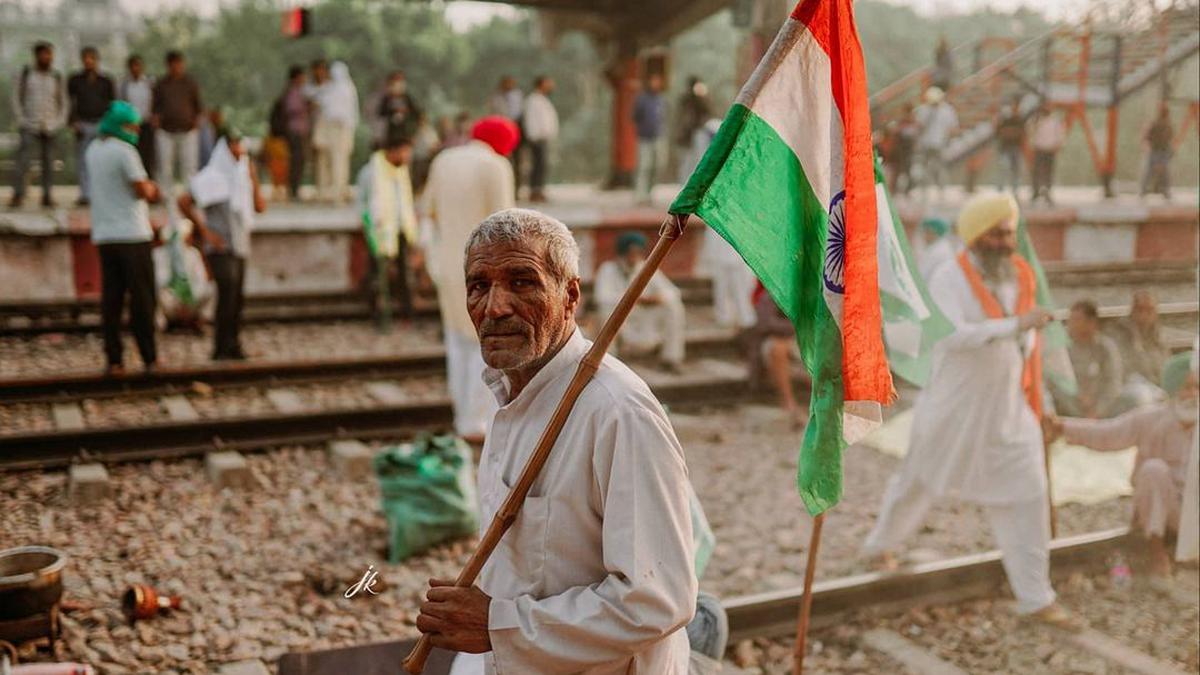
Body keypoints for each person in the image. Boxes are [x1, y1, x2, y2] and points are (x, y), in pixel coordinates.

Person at [412, 208, 696, 674]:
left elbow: (657, 600)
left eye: (522, 282)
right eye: (479, 285)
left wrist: (498, 626)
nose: (494, 306)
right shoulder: (508, 391)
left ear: (570, 296)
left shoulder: (617, 412)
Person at [862, 192, 1082, 630]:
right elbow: (949, 336)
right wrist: (1012, 326)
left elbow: (1028, 347)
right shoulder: (949, 276)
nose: (1007, 240)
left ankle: (1036, 597)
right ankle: (880, 546)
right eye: (998, 233)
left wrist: (1042, 401)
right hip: (954, 408)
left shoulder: (1020, 275)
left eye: (1009, 232)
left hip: (1007, 409)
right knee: (918, 481)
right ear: (977, 235)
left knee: (1028, 494)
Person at [1047, 352, 1198, 581]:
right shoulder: (1151, 419)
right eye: (1187, 388)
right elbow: (1107, 434)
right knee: (1153, 470)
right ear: (1174, 390)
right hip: (1167, 511)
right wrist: (1063, 427)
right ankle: (1156, 553)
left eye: (1198, 388)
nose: (1194, 395)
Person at [420, 116, 518, 442]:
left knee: (457, 342)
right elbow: (506, 225)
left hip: (447, 265)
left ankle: (463, 417)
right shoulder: (495, 166)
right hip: (486, 270)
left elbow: (427, 212)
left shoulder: (444, 159)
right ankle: (479, 423)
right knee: (487, 342)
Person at [84, 101, 162, 374]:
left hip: (105, 235)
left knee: (112, 300)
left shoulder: (94, 149)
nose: (135, 130)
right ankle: (149, 357)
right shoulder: (126, 152)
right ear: (121, 126)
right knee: (143, 300)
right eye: (132, 126)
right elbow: (142, 189)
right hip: (132, 234)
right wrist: (153, 188)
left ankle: (114, 359)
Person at [177, 129, 266, 361]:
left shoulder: (242, 178)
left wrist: (253, 177)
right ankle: (220, 347)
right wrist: (205, 232)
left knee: (237, 299)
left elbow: (260, 206)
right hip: (220, 246)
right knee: (226, 296)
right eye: (236, 146)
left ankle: (233, 346)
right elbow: (184, 201)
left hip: (240, 245)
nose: (240, 152)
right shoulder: (213, 176)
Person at [594, 231, 686, 373]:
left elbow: (673, 292)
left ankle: (671, 359)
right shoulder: (608, 269)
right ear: (622, 253)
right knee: (605, 311)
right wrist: (634, 298)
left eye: (638, 252)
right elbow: (602, 297)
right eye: (631, 252)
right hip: (620, 317)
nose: (634, 256)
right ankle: (607, 363)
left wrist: (658, 298)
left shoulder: (645, 267)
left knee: (674, 307)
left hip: (643, 316)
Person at [356, 134, 418, 330]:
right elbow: (362, 203)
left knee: (404, 276)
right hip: (380, 231)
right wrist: (368, 226)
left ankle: (406, 315)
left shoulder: (401, 172)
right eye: (405, 151)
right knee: (379, 278)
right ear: (393, 150)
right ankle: (381, 318)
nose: (407, 156)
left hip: (401, 230)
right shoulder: (370, 173)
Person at [9, 41, 68, 209]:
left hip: (50, 125)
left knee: (49, 163)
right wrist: (21, 119)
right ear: (37, 55)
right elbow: (16, 99)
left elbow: (63, 102)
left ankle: (47, 196)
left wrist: (59, 122)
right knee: (23, 161)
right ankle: (18, 195)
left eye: (50, 54)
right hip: (29, 124)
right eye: (44, 54)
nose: (47, 57)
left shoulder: (56, 76)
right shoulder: (26, 74)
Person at [744, 286, 807, 428]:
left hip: (800, 341)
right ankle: (788, 401)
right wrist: (795, 327)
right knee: (778, 349)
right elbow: (765, 323)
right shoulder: (771, 293)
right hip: (773, 340)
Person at [1050, 300, 1124, 419]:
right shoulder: (1062, 348)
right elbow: (1056, 380)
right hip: (1072, 402)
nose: (1070, 324)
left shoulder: (1106, 348)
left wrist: (1098, 409)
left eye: (1076, 320)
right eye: (1070, 319)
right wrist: (1079, 395)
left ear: (1091, 322)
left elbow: (1113, 383)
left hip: (1101, 404)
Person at [67, 46, 115, 206]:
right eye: (86, 58)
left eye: (92, 58)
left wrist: (110, 126)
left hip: (102, 124)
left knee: (103, 160)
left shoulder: (106, 81)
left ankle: (102, 193)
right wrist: (73, 122)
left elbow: (112, 104)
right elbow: (70, 103)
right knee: (83, 160)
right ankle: (85, 194)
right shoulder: (75, 80)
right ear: (82, 60)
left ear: (97, 60)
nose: (89, 61)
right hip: (83, 123)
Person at [151, 51, 203, 194]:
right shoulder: (161, 84)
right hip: (166, 131)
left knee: (190, 165)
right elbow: (155, 107)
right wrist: (156, 122)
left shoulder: (190, 83)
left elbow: (198, 106)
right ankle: (166, 195)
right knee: (165, 166)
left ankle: (191, 195)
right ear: (168, 65)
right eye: (173, 64)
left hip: (188, 130)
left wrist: (196, 123)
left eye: (179, 64)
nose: (177, 67)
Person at [312, 61, 359, 204]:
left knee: (339, 163)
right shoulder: (332, 88)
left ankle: (338, 194)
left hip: (342, 130)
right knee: (326, 162)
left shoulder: (346, 89)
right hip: (330, 129)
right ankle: (326, 193)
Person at [1113, 290, 1171, 405]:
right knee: (1141, 396)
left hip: (1158, 389)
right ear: (1132, 311)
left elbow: (1165, 367)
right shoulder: (1119, 334)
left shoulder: (1159, 336)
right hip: (1132, 389)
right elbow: (1126, 373)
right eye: (1140, 309)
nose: (1144, 315)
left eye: (1149, 310)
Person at [703, 222, 756, 330]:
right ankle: (723, 316)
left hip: (738, 257)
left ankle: (744, 317)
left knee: (741, 289)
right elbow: (711, 236)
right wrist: (710, 256)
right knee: (721, 289)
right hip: (720, 257)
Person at [271, 65, 310, 202]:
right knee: (296, 161)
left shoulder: (298, 91)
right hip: (294, 131)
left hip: (299, 131)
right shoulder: (293, 92)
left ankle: (294, 188)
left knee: (298, 161)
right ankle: (293, 189)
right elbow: (292, 110)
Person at [914, 87, 958, 199]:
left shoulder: (947, 110)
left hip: (939, 144)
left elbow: (952, 128)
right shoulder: (924, 109)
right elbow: (919, 126)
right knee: (925, 168)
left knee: (939, 168)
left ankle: (941, 192)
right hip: (926, 143)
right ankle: (925, 192)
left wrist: (947, 140)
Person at [521, 76, 558, 203]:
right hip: (537, 138)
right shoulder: (533, 100)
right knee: (538, 165)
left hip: (543, 138)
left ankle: (539, 190)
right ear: (541, 84)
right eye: (548, 83)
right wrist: (533, 136)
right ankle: (534, 191)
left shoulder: (542, 100)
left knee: (542, 166)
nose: (551, 86)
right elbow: (531, 120)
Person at [633, 74, 667, 205]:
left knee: (657, 165)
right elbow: (635, 116)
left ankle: (649, 193)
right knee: (644, 166)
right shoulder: (642, 99)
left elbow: (663, 118)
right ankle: (640, 195)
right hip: (644, 137)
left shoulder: (660, 99)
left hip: (658, 137)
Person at [119, 54, 155, 177]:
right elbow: (122, 105)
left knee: (148, 156)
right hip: (130, 126)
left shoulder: (149, 83)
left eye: (138, 65)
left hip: (146, 124)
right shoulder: (124, 85)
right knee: (132, 155)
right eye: (133, 66)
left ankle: (148, 183)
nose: (135, 68)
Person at [1029, 103, 1065, 205]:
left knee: (1049, 172)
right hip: (1039, 148)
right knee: (1037, 172)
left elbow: (1060, 134)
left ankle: (1047, 193)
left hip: (1050, 149)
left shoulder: (1055, 121)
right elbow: (1031, 131)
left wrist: (1058, 145)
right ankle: (1035, 192)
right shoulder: (1036, 120)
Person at [372, 70, 421, 146]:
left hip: (404, 134)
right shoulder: (386, 99)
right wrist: (393, 111)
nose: (399, 86)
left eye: (401, 82)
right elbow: (381, 113)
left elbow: (416, 113)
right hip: (390, 135)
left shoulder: (407, 99)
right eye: (396, 83)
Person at [675, 76, 710, 181]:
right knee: (686, 161)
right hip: (687, 134)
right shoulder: (686, 100)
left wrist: (702, 98)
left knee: (699, 159)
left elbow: (708, 112)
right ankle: (683, 184)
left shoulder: (702, 100)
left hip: (699, 132)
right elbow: (682, 118)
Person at [1141, 103, 1173, 199]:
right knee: (1156, 171)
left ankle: (1162, 190)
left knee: (1156, 171)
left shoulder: (1163, 124)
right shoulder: (1162, 124)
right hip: (1158, 150)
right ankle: (1162, 190)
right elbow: (1148, 135)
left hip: (1160, 150)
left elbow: (1148, 135)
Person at [886, 103, 919, 197]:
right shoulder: (901, 123)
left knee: (908, 171)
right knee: (897, 171)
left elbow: (915, 136)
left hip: (909, 151)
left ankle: (907, 191)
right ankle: (894, 191)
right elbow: (895, 134)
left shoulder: (913, 123)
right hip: (900, 151)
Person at [994, 97, 1024, 195]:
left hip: (1016, 147)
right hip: (1005, 147)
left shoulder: (1020, 119)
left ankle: (1015, 190)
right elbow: (999, 132)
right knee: (1004, 167)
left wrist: (1009, 132)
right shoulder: (1005, 118)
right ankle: (1000, 189)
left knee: (1015, 169)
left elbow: (1021, 133)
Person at [914, 216, 958, 282]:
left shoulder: (938, 251)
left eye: (927, 232)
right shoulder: (938, 247)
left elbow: (922, 275)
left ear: (935, 232)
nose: (924, 235)